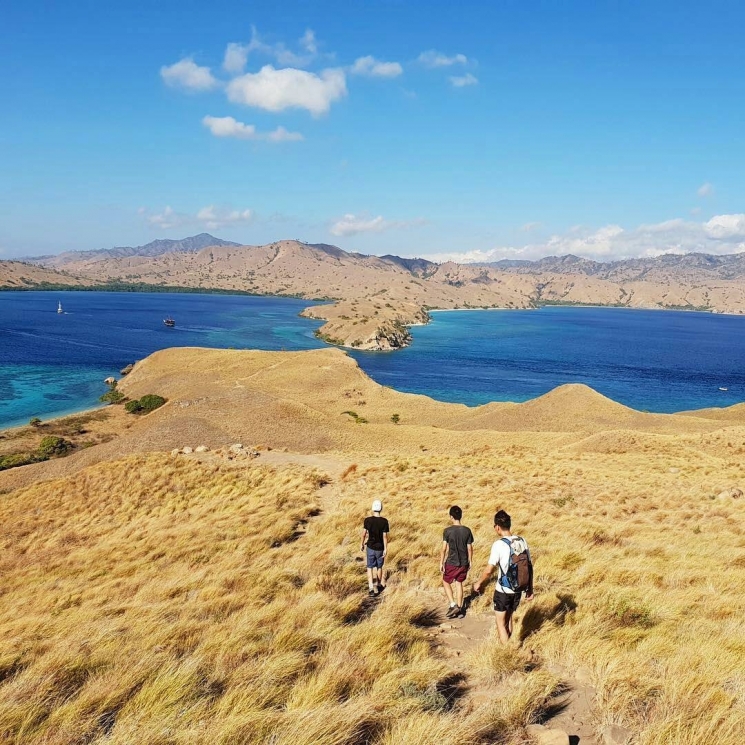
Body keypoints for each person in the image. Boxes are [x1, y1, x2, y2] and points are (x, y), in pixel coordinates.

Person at [473, 509, 534, 644]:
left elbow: (489, 570)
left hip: (503, 590)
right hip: (518, 588)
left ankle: (507, 652)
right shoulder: (522, 540)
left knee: (500, 623)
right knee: (509, 617)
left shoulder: (499, 544)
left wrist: (479, 583)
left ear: (497, 527)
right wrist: (530, 589)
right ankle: (510, 643)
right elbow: (529, 566)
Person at [440, 505, 474, 618]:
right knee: (459, 583)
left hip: (451, 562)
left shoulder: (447, 531)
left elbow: (444, 549)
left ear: (451, 517)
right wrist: (470, 561)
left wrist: (441, 562)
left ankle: (452, 604)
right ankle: (459, 609)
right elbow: (469, 548)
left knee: (446, 581)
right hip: (464, 562)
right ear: (461, 516)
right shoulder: (467, 530)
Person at [361, 500, 389, 596]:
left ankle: (371, 588)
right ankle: (378, 585)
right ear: (381, 508)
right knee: (379, 567)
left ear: (373, 508)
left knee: (369, 567)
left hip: (370, 547)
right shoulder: (384, 521)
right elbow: (385, 536)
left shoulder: (367, 520)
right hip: (380, 548)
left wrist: (361, 544)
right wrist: (385, 549)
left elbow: (364, 534)